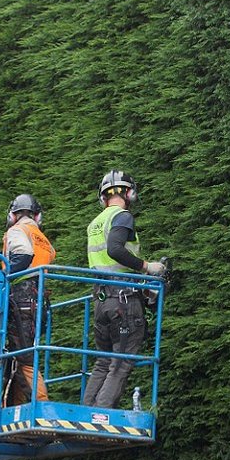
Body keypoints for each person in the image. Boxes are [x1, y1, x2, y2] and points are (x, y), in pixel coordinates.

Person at [83, 169, 165, 408]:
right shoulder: (122, 216)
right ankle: (99, 416)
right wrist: (147, 267)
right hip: (123, 300)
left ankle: (86, 411)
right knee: (121, 361)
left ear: (103, 197)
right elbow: (115, 249)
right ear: (130, 193)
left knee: (104, 361)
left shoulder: (95, 223)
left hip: (101, 300)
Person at [2, 192, 56, 404]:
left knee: (23, 357)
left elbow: (24, 254)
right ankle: (14, 406)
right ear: (37, 216)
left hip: (20, 299)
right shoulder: (42, 239)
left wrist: (3, 276)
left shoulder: (17, 231)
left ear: (12, 216)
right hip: (36, 299)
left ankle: (41, 406)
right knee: (18, 353)